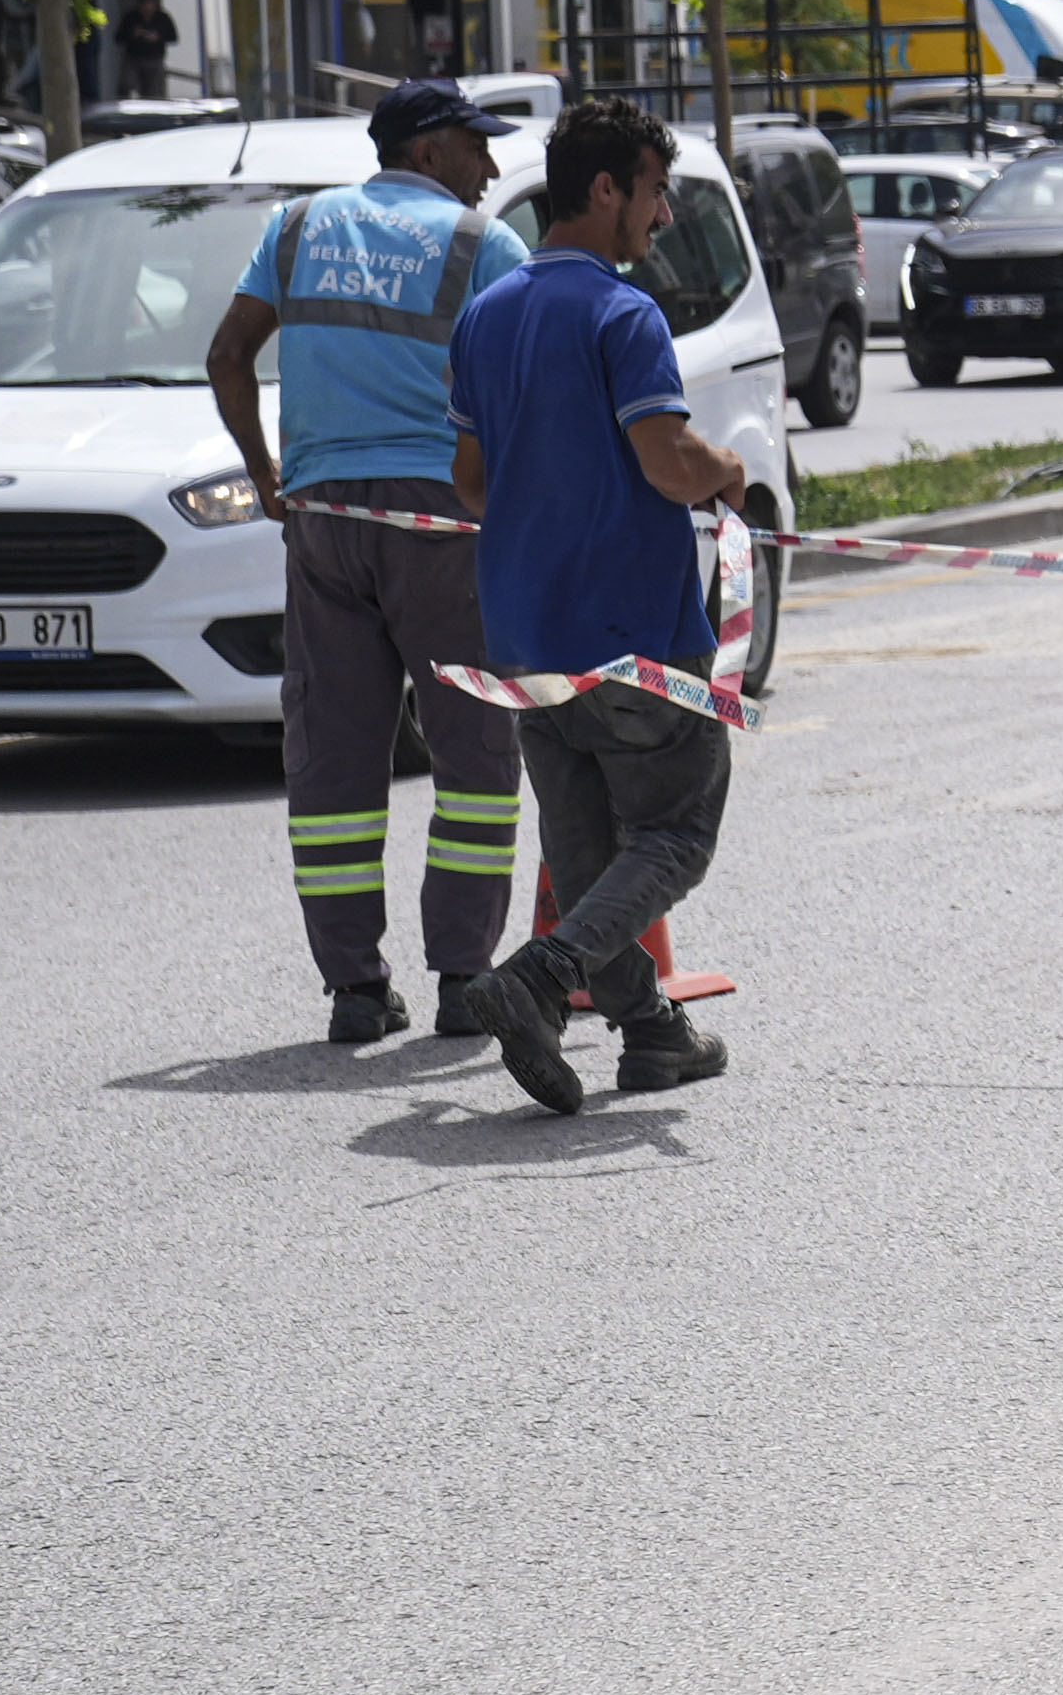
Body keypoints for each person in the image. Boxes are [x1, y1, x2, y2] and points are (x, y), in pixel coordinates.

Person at [205, 74, 526, 1046]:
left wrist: (267, 476)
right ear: (426, 150)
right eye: (476, 144)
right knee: (474, 751)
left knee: (335, 753)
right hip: (443, 526)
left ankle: (354, 987)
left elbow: (228, 355)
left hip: (325, 520)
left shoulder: (296, 229)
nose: (492, 166)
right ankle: (463, 977)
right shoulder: (483, 245)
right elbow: (531, 382)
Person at [447, 95, 746, 1112]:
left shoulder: (486, 317)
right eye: (655, 191)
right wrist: (727, 466)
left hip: (526, 636)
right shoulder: (625, 315)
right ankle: (538, 977)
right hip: (631, 635)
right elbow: (668, 464)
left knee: (583, 847)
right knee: (675, 829)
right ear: (607, 187)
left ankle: (650, 1031)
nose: (662, 218)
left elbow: (472, 484)